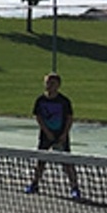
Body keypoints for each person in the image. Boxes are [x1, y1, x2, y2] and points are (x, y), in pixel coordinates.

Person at [25, 71, 81, 200]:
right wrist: (47, 132)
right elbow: (38, 117)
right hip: (46, 136)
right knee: (40, 162)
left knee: (67, 163)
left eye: (52, 83)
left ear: (58, 85)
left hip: (61, 135)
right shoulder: (40, 100)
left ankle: (75, 188)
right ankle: (34, 184)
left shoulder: (64, 101)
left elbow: (69, 118)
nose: (49, 85)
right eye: (47, 83)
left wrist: (64, 135)